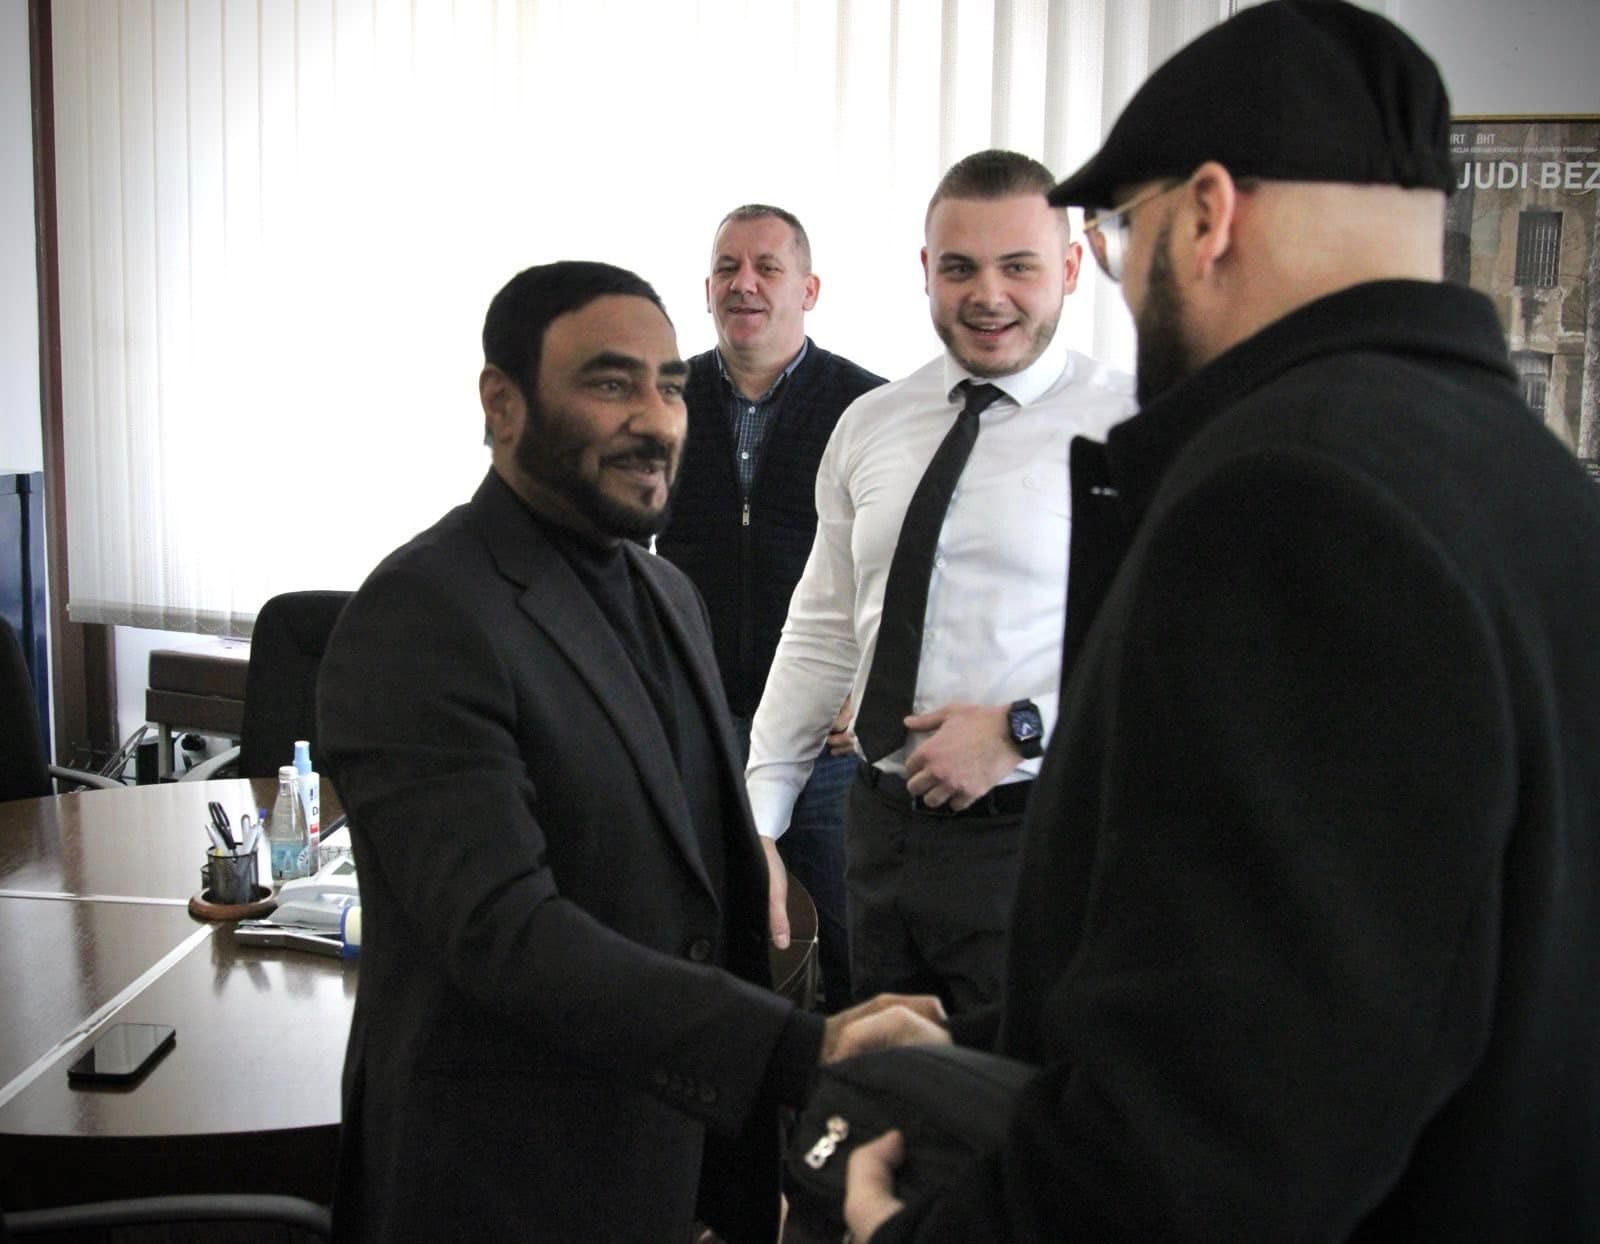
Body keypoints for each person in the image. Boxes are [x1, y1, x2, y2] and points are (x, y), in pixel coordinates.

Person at [841, 3, 1600, 1239]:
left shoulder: (1290, 493)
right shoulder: (1533, 480)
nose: (1123, 270)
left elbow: (1228, 1123)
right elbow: (1368, 968)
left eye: (1118, 231)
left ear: (1205, 215)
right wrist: (990, 1034)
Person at [315, 260, 938, 1242]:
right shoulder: (422, 613)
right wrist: (798, 1047)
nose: (656, 420)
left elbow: (684, 888)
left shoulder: (666, 595)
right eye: (611, 383)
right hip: (500, 1187)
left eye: (671, 387)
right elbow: (505, 933)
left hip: (660, 1159)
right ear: (502, 402)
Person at [746, 151, 1133, 1019]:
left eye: (1019, 267)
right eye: (960, 268)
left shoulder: (1130, 426)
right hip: (878, 834)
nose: (987, 295)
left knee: (1009, 1085)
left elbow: (1179, 650)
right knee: (885, 1070)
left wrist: (1023, 729)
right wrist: (759, 817)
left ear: (1071, 268)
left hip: (1034, 840)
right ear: (926, 270)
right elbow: (823, 629)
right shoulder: (871, 424)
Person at [656, 205, 886, 1013]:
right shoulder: (664, 401)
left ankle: (850, 1085)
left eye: (767, 267)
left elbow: (904, 571)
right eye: (727, 268)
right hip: (700, 729)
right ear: (706, 289)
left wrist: (872, 682)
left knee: (854, 949)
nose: (743, 284)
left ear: (808, 289)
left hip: (825, 738)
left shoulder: (869, 410)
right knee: (704, 943)